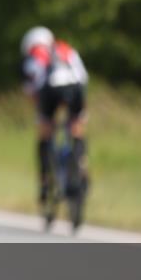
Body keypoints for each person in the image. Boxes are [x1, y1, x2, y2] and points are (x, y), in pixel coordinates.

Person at [20, 26, 89, 207]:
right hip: (75, 88)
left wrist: (42, 116)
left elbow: (32, 89)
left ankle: (44, 182)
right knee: (77, 128)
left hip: (50, 90)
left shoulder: (35, 55)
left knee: (45, 132)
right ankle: (81, 167)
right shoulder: (67, 49)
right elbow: (82, 77)